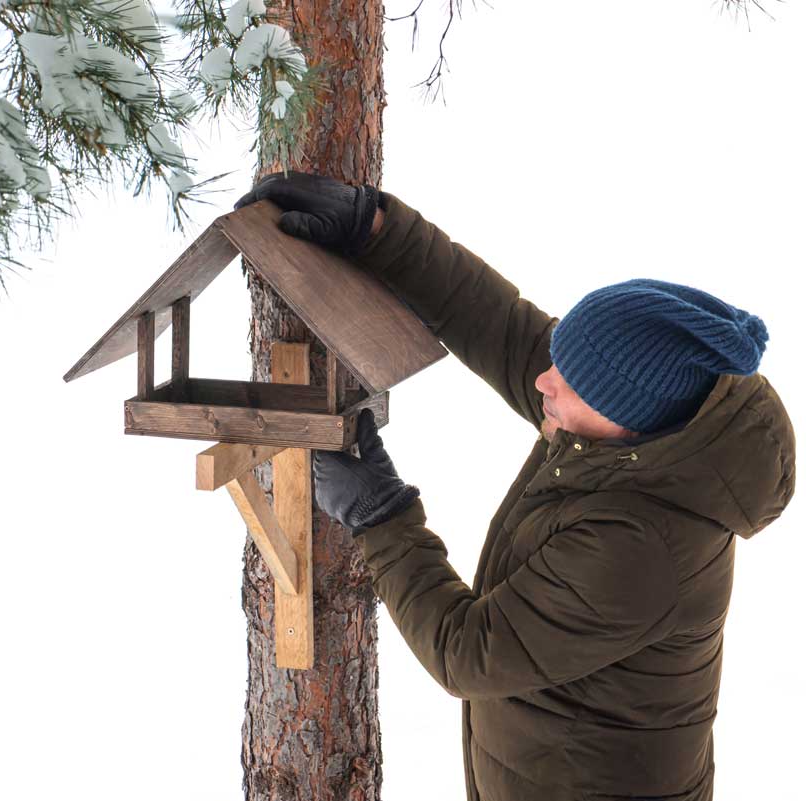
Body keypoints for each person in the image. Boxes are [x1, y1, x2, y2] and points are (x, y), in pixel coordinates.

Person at [234, 171, 797, 801]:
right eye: (562, 356)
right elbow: (505, 330)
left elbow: (467, 652)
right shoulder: (656, 423)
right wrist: (378, 229)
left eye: (570, 382)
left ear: (623, 417)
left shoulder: (642, 550)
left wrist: (379, 512)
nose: (544, 381)